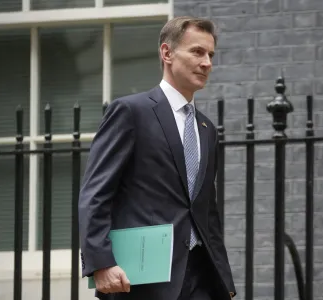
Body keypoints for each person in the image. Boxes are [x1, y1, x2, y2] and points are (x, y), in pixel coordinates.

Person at [78, 16, 236, 300]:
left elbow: (206, 214)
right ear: (167, 53)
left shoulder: (207, 129)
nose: (207, 63)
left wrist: (224, 281)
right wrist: (101, 263)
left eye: (211, 55)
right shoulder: (130, 112)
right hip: (143, 281)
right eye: (197, 52)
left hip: (202, 280)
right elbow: (96, 193)